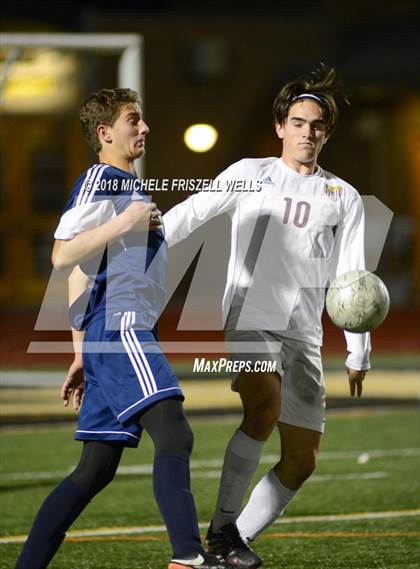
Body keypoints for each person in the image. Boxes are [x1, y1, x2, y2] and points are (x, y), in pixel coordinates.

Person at [163, 65, 371, 568]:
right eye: (298, 122)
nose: (307, 132)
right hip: (250, 313)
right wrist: (135, 250)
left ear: (327, 133)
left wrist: (359, 348)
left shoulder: (344, 197)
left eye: (316, 125)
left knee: (302, 460)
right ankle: (222, 536)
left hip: (304, 331)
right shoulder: (249, 174)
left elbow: (353, 280)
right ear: (281, 127)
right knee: (262, 407)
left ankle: (227, 539)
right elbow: (188, 215)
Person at [15, 88, 227, 569]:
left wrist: (79, 354)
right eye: (134, 120)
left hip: (104, 338)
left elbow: (80, 275)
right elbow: (62, 255)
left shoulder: (126, 188)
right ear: (104, 133)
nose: (145, 128)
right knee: (174, 434)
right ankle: (188, 556)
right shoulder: (102, 180)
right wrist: (125, 222)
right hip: (122, 329)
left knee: (93, 471)